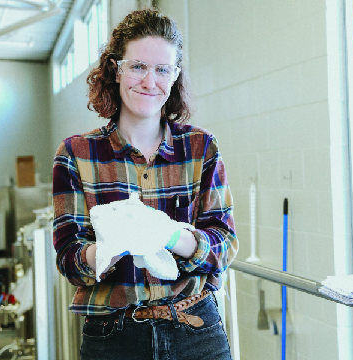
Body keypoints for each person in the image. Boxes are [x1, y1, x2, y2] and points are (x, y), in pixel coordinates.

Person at [52, 8, 238, 360]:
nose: (149, 81)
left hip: (196, 331)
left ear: (175, 76)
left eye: (162, 69)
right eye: (137, 66)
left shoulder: (200, 148)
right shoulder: (76, 154)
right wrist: (105, 248)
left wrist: (170, 236)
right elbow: (68, 259)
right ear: (116, 69)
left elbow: (224, 245)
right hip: (114, 336)